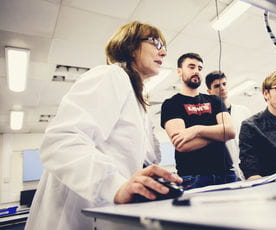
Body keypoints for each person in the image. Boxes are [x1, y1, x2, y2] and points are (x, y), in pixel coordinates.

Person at [25, 21, 182, 230]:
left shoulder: (137, 99)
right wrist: (114, 185)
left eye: (164, 46)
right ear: (130, 45)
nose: (163, 53)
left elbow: (141, 158)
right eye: (156, 43)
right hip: (75, 217)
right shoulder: (112, 75)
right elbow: (61, 141)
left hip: (108, 213)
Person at [161, 53, 237, 190]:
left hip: (226, 174)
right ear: (179, 71)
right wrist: (218, 135)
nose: (196, 71)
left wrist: (196, 130)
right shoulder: (171, 104)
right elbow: (182, 144)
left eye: (200, 68)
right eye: (191, 67)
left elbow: (230, 131)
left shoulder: (215, 100)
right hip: (193, 178)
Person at [205, 71, 251, 180]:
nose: (222, 88)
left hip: (249, 167)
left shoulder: (243, 111)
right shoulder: (208, 117)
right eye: (217, 86)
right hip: (225, 172)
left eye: (224, 84)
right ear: (209, 91)